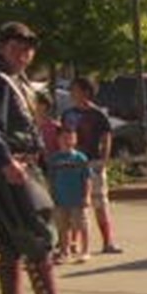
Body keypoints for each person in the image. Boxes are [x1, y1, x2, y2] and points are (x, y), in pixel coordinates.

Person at [0, 21, 95, 294]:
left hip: (16, 165)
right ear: (1, 47)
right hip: (10, 167)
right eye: (16, 48)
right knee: (38, 235)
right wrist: (5, 160)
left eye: (28, 49)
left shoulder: (12, 79)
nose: (23, 54)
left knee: (12, 243)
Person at [59, 76, 123, 254]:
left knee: (100, 202)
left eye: (75, 89)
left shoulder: (97, 114)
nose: (72, 93)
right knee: (73, 203)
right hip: (72, 162)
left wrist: (104, 159)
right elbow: (63, 135)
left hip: (93, 161)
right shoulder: (68, 114)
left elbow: (106, 137)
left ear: (86, 92)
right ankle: (73, 244)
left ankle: (108, 241)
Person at [44, 125, 94, 263]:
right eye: (64, 138)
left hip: (78, 199)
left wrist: (87, 196)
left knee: (82, 225)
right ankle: (64, 252)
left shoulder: (80, 158)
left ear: (75, 139)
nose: (67, 140)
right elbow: (51, 179)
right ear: (58, 139)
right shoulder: (54, 159)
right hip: (60, 199)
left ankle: (85, 251)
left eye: (71, 137)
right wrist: (51, 195)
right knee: (62, 227)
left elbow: (87, 179)